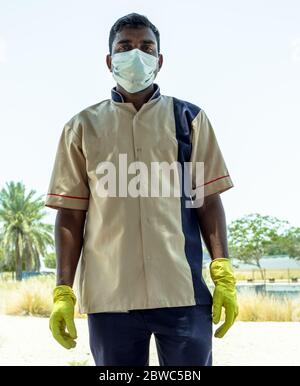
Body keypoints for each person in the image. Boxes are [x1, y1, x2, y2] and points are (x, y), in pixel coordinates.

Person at [46, 12, 238, 366]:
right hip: (110, 297)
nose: (136, 54)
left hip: (182, 293)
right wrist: (63, 291)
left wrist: (222, 271)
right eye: (125, 46)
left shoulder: (188, 121)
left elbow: (207, 202)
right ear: (110, 60)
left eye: (146, 47)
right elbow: (71, 215)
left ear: (159, 60)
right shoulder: (82, 128)